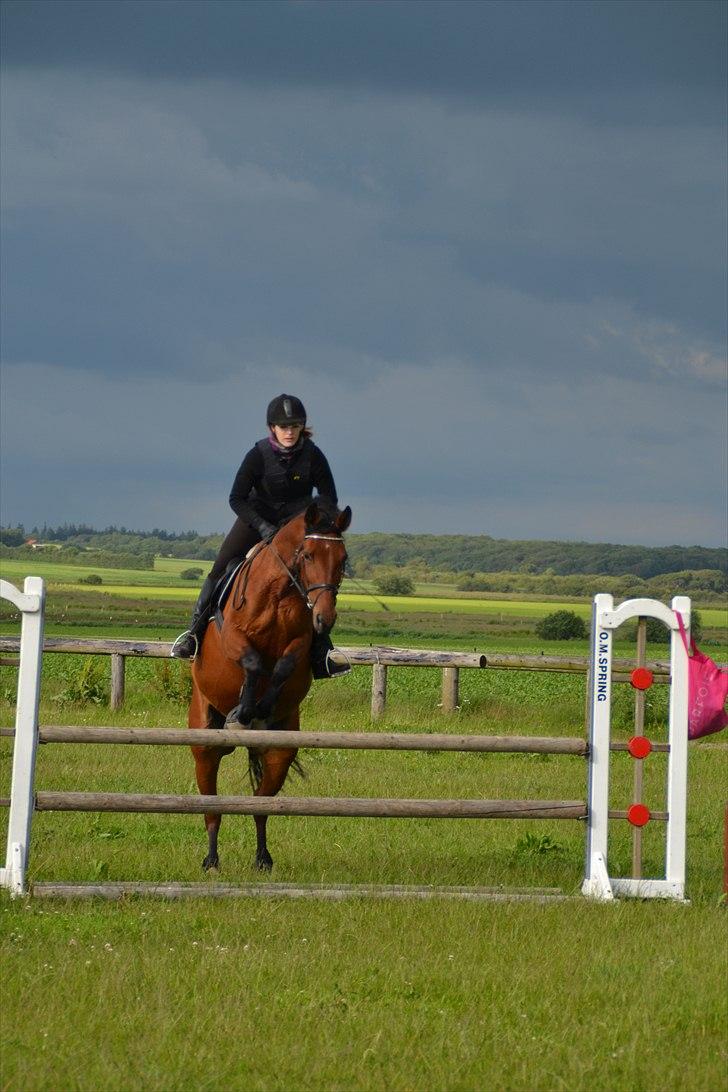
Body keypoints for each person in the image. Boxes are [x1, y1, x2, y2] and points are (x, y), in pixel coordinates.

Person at [171, 394, 348, 676]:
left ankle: (321, 650)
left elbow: (329, 498)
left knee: (313, 579)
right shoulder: (258, 455)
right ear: (272, 428)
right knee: (221, 565)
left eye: (294, 426)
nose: (289, 431)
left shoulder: (313, 456)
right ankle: (193, 634)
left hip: (296, 528)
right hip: (255, 520)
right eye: (283, 426)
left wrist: (318, 524)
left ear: (302, 427)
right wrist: (263, 527)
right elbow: (236, 498)